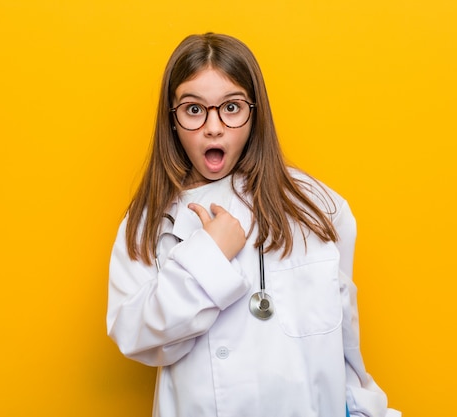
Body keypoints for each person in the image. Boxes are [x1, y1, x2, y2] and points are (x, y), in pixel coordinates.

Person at [106, 32, 400, 417]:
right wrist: (208, 257)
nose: (213, 128)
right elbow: (137, 337)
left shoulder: (318, 207)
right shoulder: (149, 221)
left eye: (231, 107)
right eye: (194, 109)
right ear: (172, 120)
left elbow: (344, 347)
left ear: (254, 112)